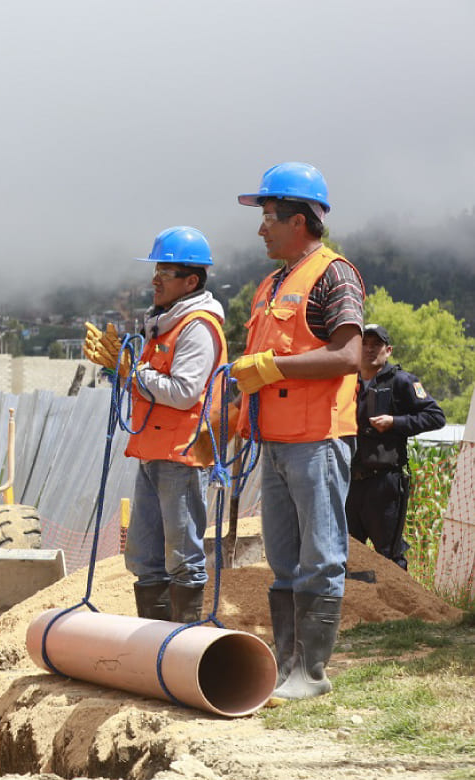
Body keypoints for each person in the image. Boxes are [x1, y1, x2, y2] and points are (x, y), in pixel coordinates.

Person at [232, 162, 365, 701]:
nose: (261, 227)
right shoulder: (270, 284)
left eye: (269, 216)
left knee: (321, 558)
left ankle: (311, 672)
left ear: (301, 220)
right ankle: (287, 664)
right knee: (284, 562)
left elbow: (349, 354)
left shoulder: (335, 274)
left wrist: (277, 367)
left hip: (318, 441)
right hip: (277, 442)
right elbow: (254, 364)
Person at [85, 226, 226, 623]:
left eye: (164, 272)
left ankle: (186, 643)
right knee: (145, 557)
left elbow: (183, 391)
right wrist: (126, 372)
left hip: (182, 454)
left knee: (182, 558)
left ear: (191, 280)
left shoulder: (197, 326)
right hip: (154, 451)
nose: (154, 280)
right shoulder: (164, 323)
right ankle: (156, 642)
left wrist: (132, 373)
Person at [346, 323, 446, 569]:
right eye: (364, 344)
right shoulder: (346, 382)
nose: (369, 350)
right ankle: (356, 606)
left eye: (376, 345)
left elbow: (436, 416)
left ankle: (401, 607)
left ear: (388, 350)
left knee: (388, 556)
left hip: (384, 484)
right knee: (346, 554)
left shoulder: (401, 381)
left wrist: (395, 422)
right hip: (348, 482)